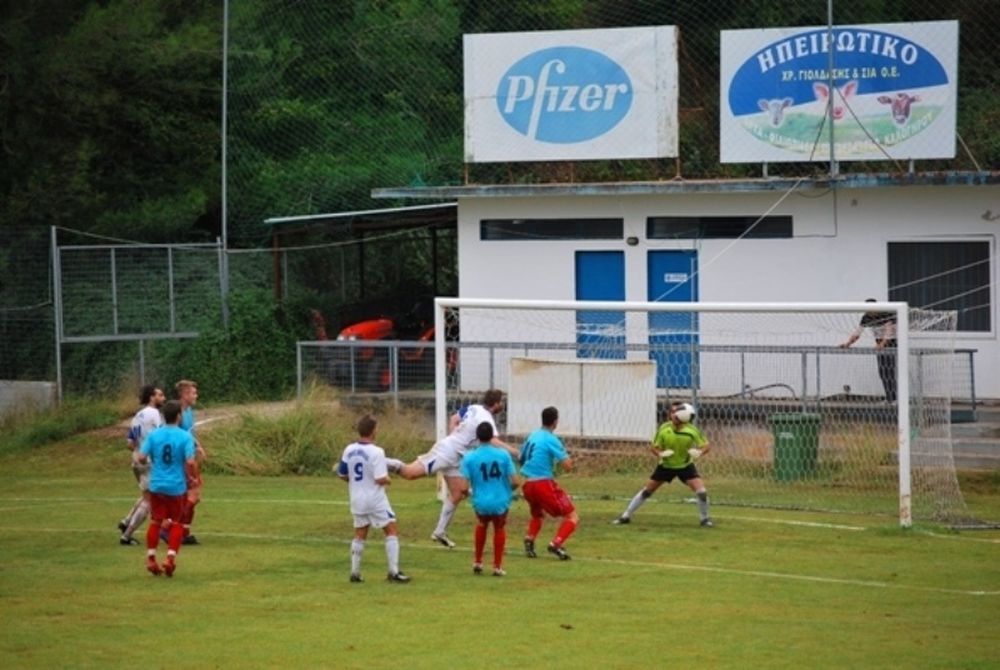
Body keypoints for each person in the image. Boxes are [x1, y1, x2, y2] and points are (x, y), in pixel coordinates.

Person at [388, 389, 516, 549]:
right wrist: (515, 452)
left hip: (456, 455)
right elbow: (493, 441)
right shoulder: (486, 418)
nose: (502, 405)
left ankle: (440, 532)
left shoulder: (474, 408)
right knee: (410, 473)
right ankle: (380, 460)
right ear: (496, 403)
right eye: (501, 402)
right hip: (448, 452)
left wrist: (453, 434)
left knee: (458, 493)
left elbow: (454, 418)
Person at [613, 402, 714, 527]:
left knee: (702, 492)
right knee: (647, 491)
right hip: (666, 466)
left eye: (676, 413)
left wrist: (700, 452)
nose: (674, 415)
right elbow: (654, 447)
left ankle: (704, 519)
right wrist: (660, 454)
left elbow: (706, 445)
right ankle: (626, 516)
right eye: (672, 412)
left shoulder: (691, 430)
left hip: (685, 466)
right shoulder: (663, 428)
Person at [337, 414, 410, 583]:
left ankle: (355, 573)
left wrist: (355, 481)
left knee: (360, 534)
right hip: (375, 498)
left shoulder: (349, 449)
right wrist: (389, 480)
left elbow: (342, 473)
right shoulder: (377, 452)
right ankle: (393, 572)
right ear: (372, 431)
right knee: (391, 530)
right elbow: (380, 478)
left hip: (356, 498)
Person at [136, 400, 199, 577]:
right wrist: (192, 478)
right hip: (176, 487)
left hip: (156, 484)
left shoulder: (154, 436)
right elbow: (190, 461)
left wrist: (154, 460)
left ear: (163, 416)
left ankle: (151, 558)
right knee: (177, 522)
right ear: (179, 416)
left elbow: (141, 458)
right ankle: (170, 558)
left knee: (156, 521)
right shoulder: (185, 436)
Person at [459, 422, 520, 576]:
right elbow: (515, 482)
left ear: (477, 437)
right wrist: (507, 491)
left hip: (481, 502)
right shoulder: (503, 455)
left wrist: (471, 493)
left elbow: (463, 488)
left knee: (481, 525)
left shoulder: (469, 457)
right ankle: (497, 566)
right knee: (499, 529)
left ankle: (478, 562)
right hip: (500, 500)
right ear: (492, 436)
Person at [519, 406, 578, 560]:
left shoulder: (532, 436)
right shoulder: (551, 439)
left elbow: (521, 458)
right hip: (542, 484)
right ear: (555, 422)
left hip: (528, 484)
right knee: (572, 516)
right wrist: (569, 460)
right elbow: (567, 465)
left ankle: (530, 539)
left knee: (538, 515)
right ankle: (556, 544)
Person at [117, 384, 165, 545]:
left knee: (147, 495)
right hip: (149, 461)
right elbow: (160, 436)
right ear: (152, 397)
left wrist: (139, 449)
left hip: (136, 460)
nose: (163, 398)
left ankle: (126, 521)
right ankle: (127, 536)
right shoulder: (155, 414)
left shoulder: (137, 416)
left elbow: (130, 443)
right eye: (160, 395)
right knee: (150, 501)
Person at [840, 299, 898, 403]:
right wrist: (848, 343)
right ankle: (890, 398)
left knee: (890, 371)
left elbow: (889, 332)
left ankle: (895, 399)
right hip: (880, 346)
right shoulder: (866, 317)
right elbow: (858, 332)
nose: (870, 311)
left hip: (892, 345)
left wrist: (883, 344)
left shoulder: (886, 314)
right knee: (882, 372)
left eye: (872, 308)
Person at [175, 379, 204, 545]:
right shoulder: (177, 411)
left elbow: (188, 433)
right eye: (193, 392)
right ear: (185, 394)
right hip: (184, 459)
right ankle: (175, 528)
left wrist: (198, 445)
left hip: (190, 456)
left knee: (193, 496)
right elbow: (176, 435)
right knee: (191, 495)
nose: (196, 395)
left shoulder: (189, 411)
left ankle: (184, 531)